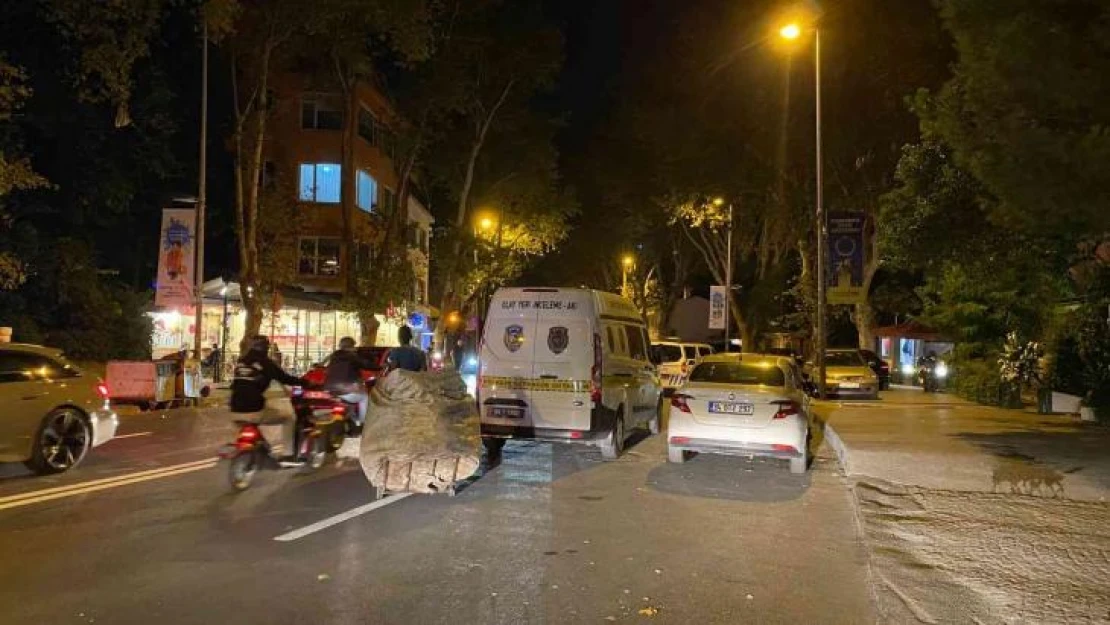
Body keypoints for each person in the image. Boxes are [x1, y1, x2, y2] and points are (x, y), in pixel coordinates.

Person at [230, 335, 311, 459]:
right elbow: (285, 379)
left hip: (234, 410)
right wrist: (306, 382)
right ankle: (288, 455)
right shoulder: (266, 363)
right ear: (266, 348)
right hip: (254, 409)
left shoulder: (242, 361)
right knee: (289, 418)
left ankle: (261, 446)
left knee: (263, 410)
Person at [323, 337, 375, 427]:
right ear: (351, 346)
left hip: (330, 389)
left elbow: (323, 366)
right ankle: (362, 423)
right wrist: (380, 366)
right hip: (346, 389)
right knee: (364, 397)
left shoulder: (333, 355)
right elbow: (366, 364)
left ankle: (351, 417)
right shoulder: (351, 356)